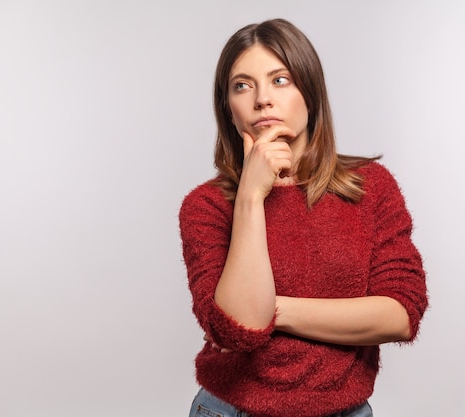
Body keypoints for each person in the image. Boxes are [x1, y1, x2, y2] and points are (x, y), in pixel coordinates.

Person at [179, 18, 428, 417]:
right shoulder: (206, 206)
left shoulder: (371, 187)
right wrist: (250, 196)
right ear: (228, 108)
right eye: (242, 85)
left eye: (280, 80)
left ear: (309, 92)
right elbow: (237, 328)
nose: (262, 99)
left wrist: (274, 310)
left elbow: (399, 314)